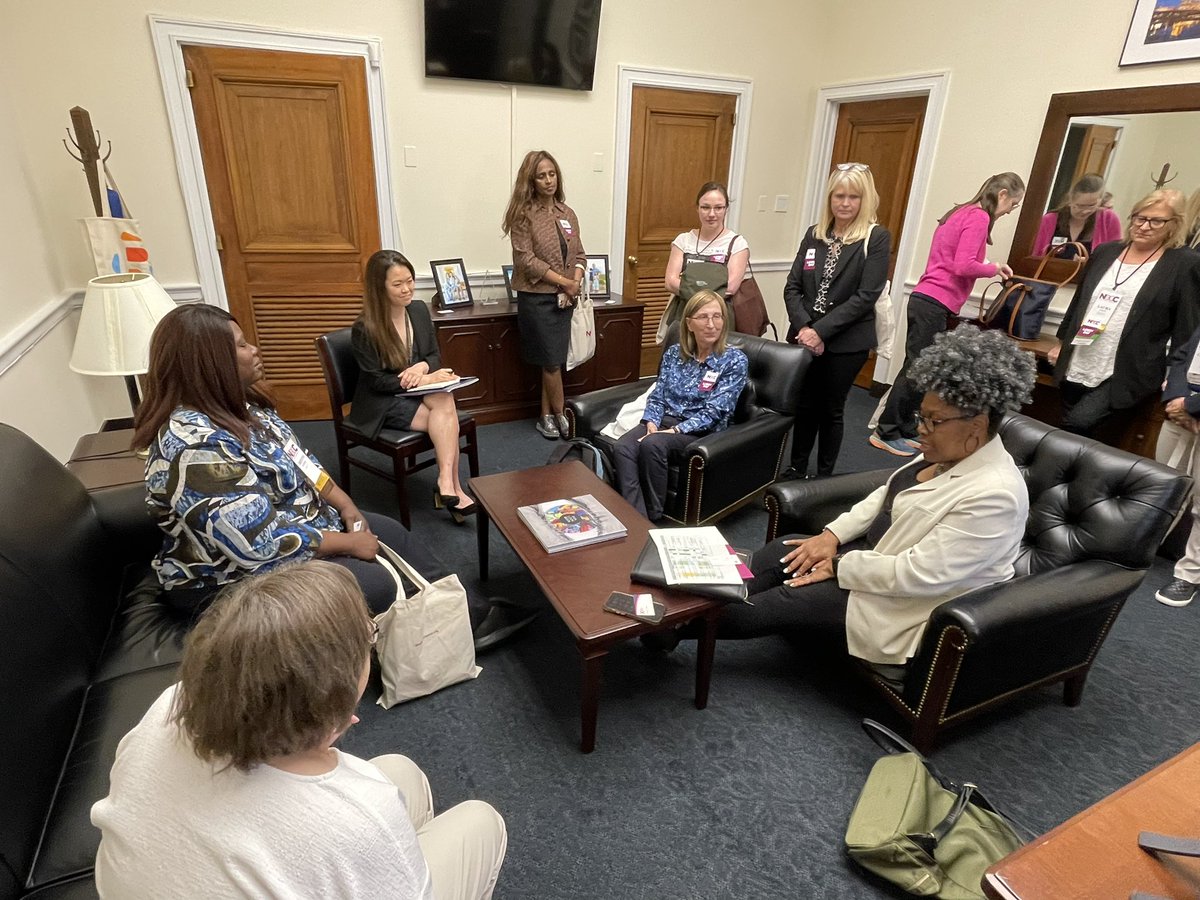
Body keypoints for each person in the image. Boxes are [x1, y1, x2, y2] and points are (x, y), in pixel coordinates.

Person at [92, 561, 507, 899]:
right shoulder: (360, 811)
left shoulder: (172, 702)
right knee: (481, 821)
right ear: (333, 693)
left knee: (400, 771)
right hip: (345, 827)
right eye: (370, 638)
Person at [131, 304, 532, 649]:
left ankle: (465, 613)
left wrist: (347, 506)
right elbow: (258, 545)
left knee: (388, 530)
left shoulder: (247, 410)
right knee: (376, 583)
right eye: (240, 345)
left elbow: (307, 466)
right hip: (229, 578)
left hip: (301, 528)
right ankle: (429, 633)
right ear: (209, 362)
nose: (254, 349)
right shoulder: (195, 447)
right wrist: (346, 541)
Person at [713, 326, 1034, 666]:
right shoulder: (949, 450)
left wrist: (838, 565)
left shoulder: (996, 495)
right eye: (920, 417)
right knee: (786, 550)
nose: (920, 429)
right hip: (875, 559)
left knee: (787, 600)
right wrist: (830, 536)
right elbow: (885, 496)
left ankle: (671, 623)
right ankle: (690, 595)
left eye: (933, 421)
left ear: (977, 425)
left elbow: (920, 574)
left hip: (904, 604)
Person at [870, 172, 1025, 457]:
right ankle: (886, 431)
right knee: (918, 370)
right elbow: (963, 265)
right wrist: (994, 268)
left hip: (926, 298)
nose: (1009, 211)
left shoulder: (960, 211)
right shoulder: (979, 217)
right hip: (934, 300)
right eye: (1013, 204)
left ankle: (902, 429)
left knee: (918, 368)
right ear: (1002, 194)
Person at [1047, 189, 1200, 438]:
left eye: (1156, 221)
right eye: (1139, 217)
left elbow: (1187, 326)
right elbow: (1080, 303)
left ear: (1174, 224)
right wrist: (1061, 344)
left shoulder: (1184, 263)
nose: (1144, 226)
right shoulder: (1106, 252)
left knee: (1078, 424)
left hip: (1126, 371)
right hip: (1080, 360)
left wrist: (1176, 375)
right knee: (1076, 438)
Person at [349, 250, 475, 522]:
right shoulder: (365, 327)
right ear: (378, 287)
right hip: (382, 401)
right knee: (444, 412)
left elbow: (432, 356)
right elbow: (377, 381)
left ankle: (445, 482)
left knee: (443, 402)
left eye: (410, 280)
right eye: (397, 284)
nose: (407, 289)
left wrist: (421, 369)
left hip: (416, 392)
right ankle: (453, 489)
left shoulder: (417, 310)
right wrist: (426, 379)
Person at [782, 163, 891, 478]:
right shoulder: (814, 235)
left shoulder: (876, 238)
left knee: (830, 410)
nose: (845, 203)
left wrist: (820, 332)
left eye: (853, 197)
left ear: (865, 199)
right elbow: (792, 286)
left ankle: (824, 476)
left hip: (846, 343)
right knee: (803, 406)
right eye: (839, 196)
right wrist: (804, 328)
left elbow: (865, 296)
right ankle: (796, 466)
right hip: (804, 336)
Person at [612, 290, 748, 521]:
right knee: (623, 447)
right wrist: (652, 422)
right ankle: (637, 518)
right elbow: (658, 395)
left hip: (700, 430)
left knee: (652, 445)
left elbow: (716, 411)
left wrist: (673, 431)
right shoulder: (675, 353)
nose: (711, 324)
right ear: (689, 323)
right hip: (665, 420)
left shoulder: (734, 360)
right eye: (703, 317)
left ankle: (653, 514)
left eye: (717, 317)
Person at [502, 149, 586, 441]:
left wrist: (573, 281)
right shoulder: (523, 215)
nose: (548, 180)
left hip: (565, 298)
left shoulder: (567, 213)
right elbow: (527, 260)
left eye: (552, 174)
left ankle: (545, 416)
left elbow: (580, 255)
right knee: (550, 361)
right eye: (541, 176)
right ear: (531, 181)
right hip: (537, 298)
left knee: (552, 361)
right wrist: (564, 282)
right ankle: (563, 416)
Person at [662, 182, 750, 345]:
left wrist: (687, 283)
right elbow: (670, 282)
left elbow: (730, 287)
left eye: (718, 208)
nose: (711, 214)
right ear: (697, 208)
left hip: (718, 319)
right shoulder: (683, 240)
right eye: (705, 207)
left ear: (726, 209)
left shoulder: (737, 244)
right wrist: (714, 286)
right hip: (683, 314)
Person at [1032, 173, 1123, 257]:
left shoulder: (1109, 219)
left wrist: (1088, 262)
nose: (1085, 211)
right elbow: (1035, 256)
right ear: (1070, 200)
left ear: (1100, 201)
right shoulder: (1049, 220)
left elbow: (1113, 256)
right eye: (1080, 206)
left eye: (1092, 205)